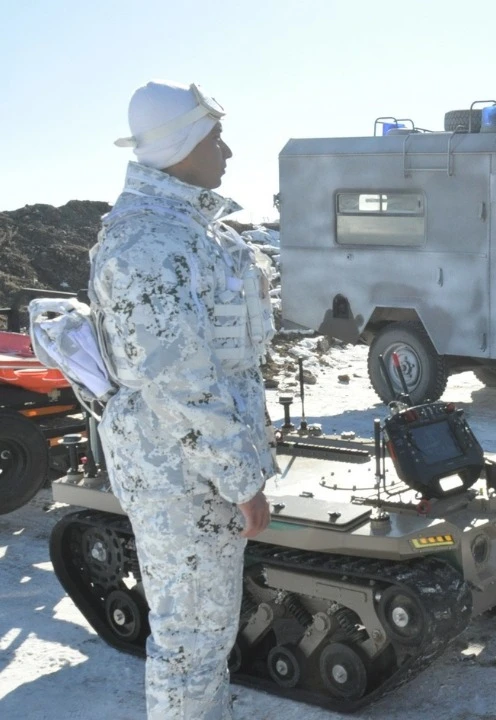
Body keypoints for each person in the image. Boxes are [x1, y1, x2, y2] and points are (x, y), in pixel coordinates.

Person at [91, 80, 275, 718]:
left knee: (206, 633)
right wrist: (241, 475)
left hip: (201, 467)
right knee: (189, 642)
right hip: (182, 472)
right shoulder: (149, 245)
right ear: (182, 145)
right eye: (215, 138)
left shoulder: (193, 232)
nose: (226, 152)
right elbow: (179, 381)